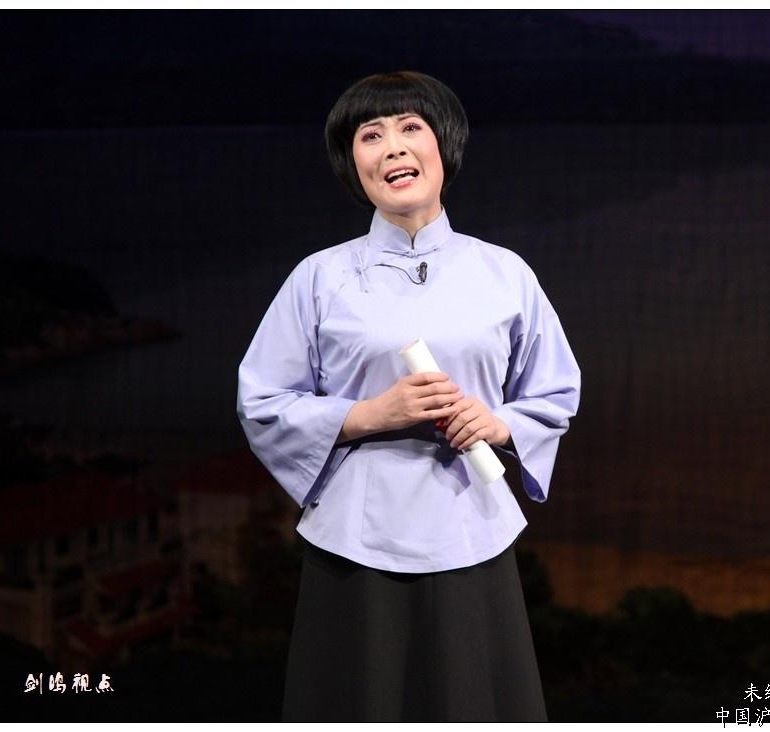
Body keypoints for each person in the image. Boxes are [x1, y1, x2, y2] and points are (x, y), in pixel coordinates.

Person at [236, 70, 580, 722]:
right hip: (355, 544)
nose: (392, 147)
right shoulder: (320, 277)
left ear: (443, 146)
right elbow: (262, 400)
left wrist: (497, 423)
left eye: (410, 128)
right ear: (353, 164)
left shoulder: (503, 272)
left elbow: (556, 389)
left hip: (473, 527)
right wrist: (368, 414)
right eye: (371, 135)